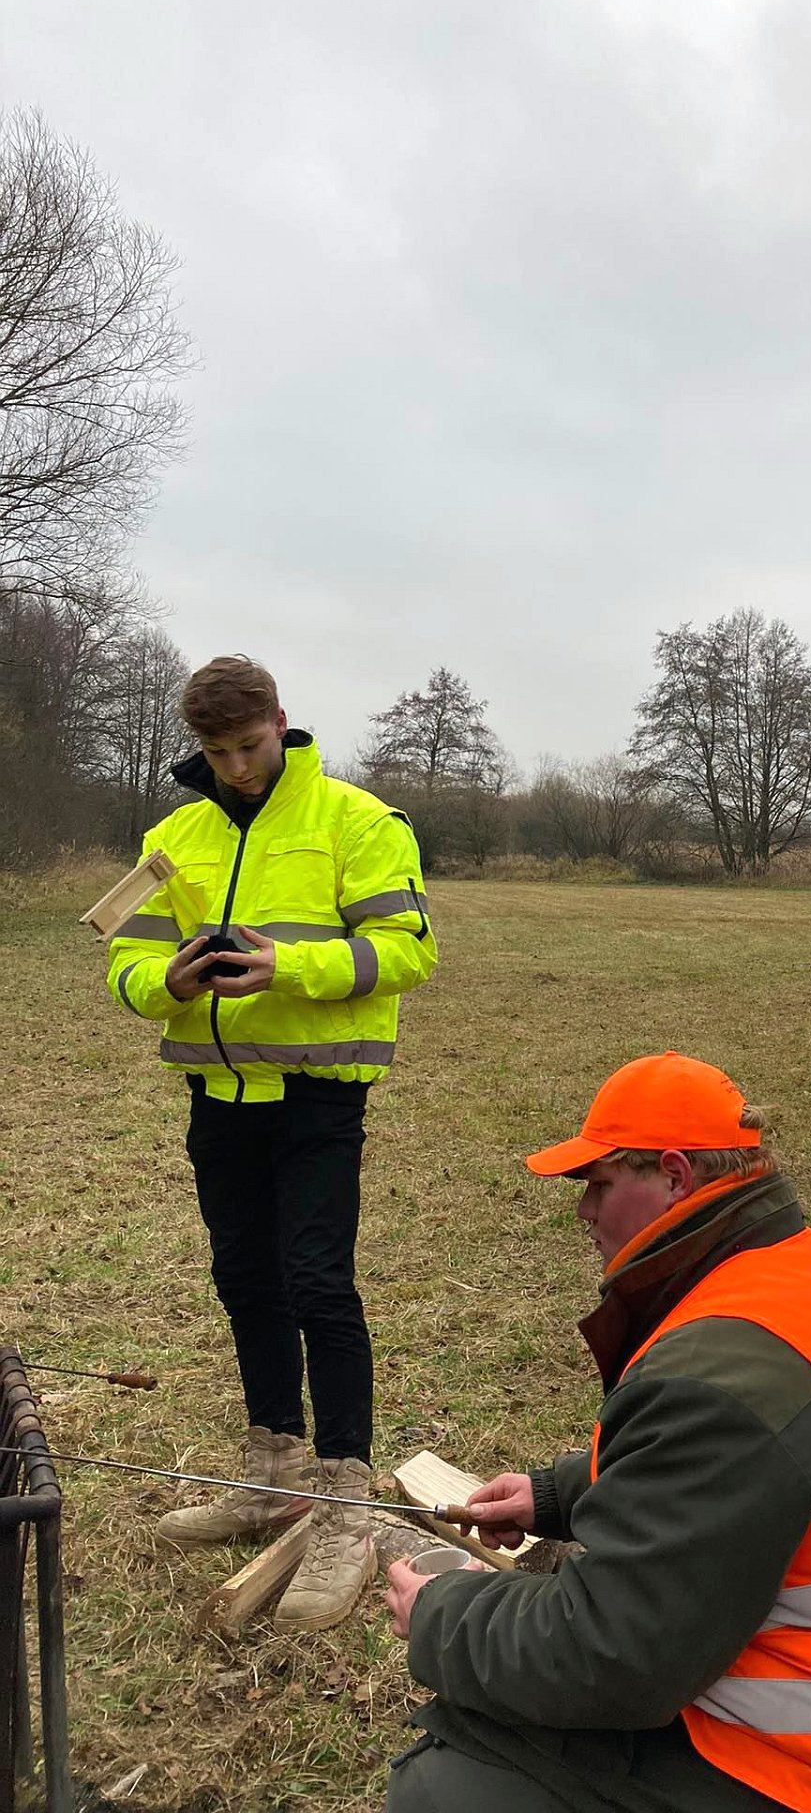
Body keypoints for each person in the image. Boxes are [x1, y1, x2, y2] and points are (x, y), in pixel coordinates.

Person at [384, 1052, 811, 1813]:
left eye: (599, 1185)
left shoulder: (719, 1377)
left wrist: (441, 1614)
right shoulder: (798, 1273)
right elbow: (730, 1479)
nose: (584, 1213)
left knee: (445, 1789)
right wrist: (556, 1495)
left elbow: (613, 1657)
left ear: (674, 1175)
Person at [105, 655, 438, 1625]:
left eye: (249, 747)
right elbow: (125, 955)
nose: (238, 768)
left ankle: (344, 1509)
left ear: (281, 722)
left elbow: (409, 949)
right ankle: (272, 1473)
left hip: (318, 1096)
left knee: (318, 1285)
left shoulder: (359, 822)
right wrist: (164, 981)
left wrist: (286, 966)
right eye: (218, 753)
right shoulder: (172, 838)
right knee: (245, 1279)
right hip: (218, 1095)